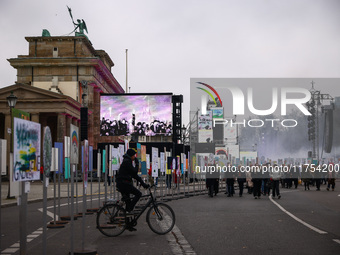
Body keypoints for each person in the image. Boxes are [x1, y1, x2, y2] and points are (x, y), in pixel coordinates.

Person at [116, 148, 150, 231]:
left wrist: (143, 184)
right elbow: (134, 173)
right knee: (138, 194)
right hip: (124, 184)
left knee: (128, 203)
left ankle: (128, 225)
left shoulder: (127, 161)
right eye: (134, 155)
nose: (135, 156)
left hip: (123, 184)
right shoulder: (127, 162)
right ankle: (130, 209)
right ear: (131, 155)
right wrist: (137, 164)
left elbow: (135, 176)